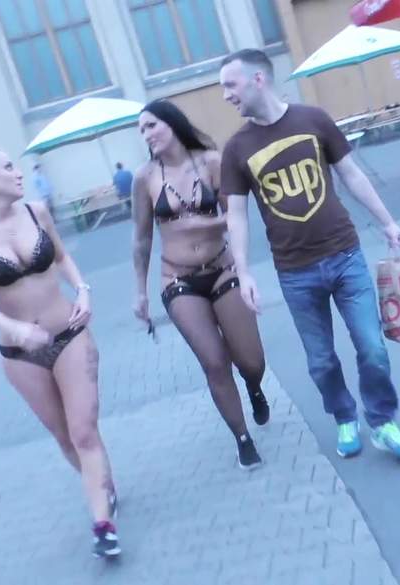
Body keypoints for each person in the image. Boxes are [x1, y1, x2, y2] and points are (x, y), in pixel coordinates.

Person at [218, 49, 400, 461]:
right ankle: (344, 416)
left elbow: (351, 174)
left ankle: (382, 422)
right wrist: (244, 271)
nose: (226, 95)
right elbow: (236, 215)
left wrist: (387, 221)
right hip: (295, 272)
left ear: (258, 79)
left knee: (372, 347)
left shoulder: (313, 119)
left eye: (230, 85)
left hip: (345, 256)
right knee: (321, 360)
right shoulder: (236, 149)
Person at [0, 146, 120, 558]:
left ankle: (103, 524)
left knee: (83, 430)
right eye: (9, 167)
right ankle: (104, 487)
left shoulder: (36, 211)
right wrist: (15, 328)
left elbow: (61, 256)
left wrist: (83, 291)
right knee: (64, 436)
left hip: (70, 334)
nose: (19, 172)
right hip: (20, 354)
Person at [131, 98, 269, 470]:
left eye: (151, 125)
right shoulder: (145, 177)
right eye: (141, 130)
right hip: (177, 278)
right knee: (214, 361)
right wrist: (140, 292)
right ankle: (242, 438)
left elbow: (235, 215)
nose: (146, 134)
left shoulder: (210, 161)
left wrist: (203, 225)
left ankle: (254, 386)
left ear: (172, 123)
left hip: (222, 268)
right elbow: (142, 238)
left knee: (251, 361)